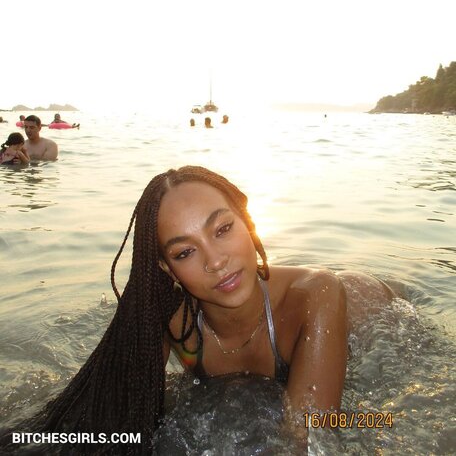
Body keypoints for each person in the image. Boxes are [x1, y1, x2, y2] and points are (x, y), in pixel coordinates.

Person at [2, 166, 394, 453]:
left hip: (372, 306)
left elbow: (310, 434)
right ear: (165, 267)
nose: (216, 261)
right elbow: (119, 411)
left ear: (248, 223)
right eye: (185, 252)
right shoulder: (169, 317)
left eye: (223, 229)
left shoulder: (315, 295)